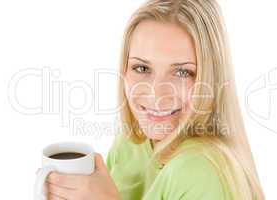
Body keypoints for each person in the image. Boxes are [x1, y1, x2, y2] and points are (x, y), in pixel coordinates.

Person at [45, 0, 265, 199]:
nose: (156, 95)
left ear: (211, 79)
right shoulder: (130, 144)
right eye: (141, 68)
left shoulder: (200, 171)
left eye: (182, 72)